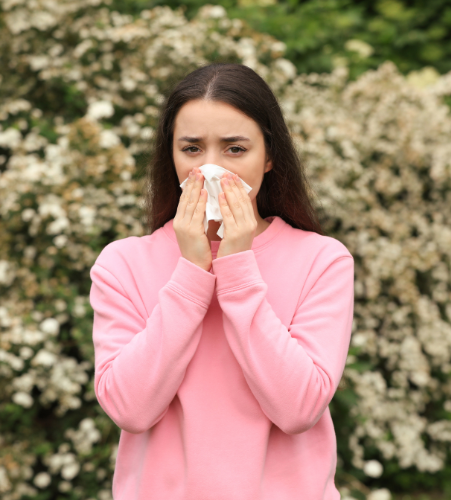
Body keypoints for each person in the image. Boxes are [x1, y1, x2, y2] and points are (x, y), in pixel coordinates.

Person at [89, 63, 355, 500]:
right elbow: (129, 409)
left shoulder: (321, 260)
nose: (210, 168)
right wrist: (191, 274)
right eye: (192, 149)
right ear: (171, 156)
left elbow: (299, 409)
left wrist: (237, 269)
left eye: (234, 149)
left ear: (268, 156)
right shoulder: (123, 263)